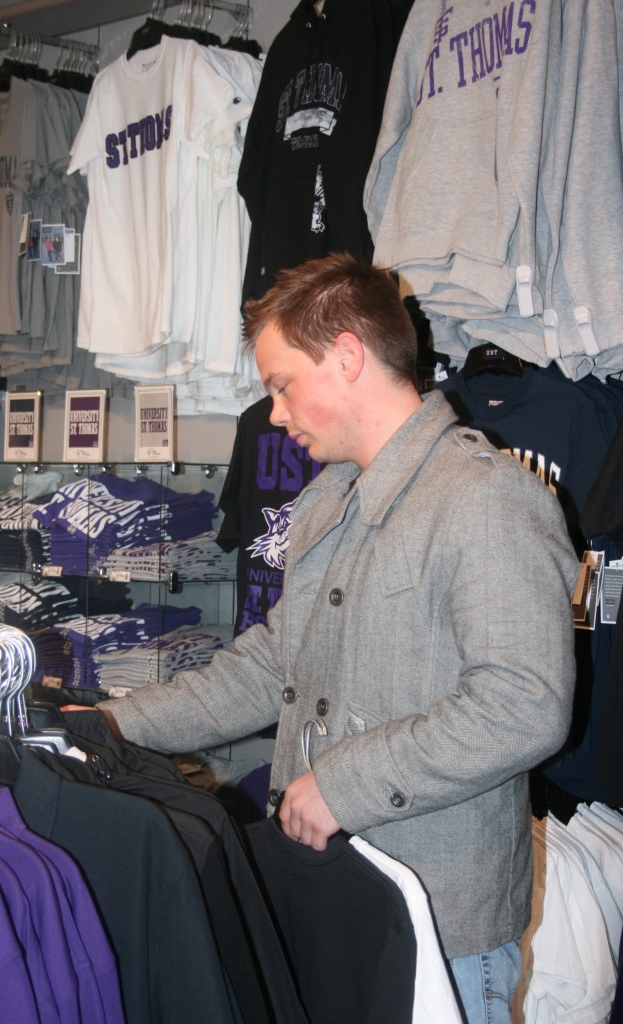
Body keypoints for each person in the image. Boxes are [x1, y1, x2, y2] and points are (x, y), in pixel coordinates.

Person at [65, 253, 579, 1023]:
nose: (274, 413)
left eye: (280, 384)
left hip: (438, 923)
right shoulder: (325, 501)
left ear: (345, 356)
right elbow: (269, 664)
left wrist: (346, 783)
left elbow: (523, 704)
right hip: (328, 895)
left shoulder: (486, 498)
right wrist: (111, 726)